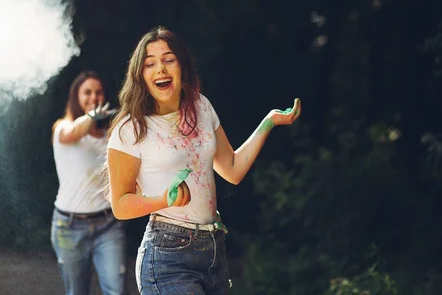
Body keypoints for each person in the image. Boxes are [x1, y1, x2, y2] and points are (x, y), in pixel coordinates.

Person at [106, 26, 302, 294]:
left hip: (213, 251)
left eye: (168, 59)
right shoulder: (130, 129)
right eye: (150, 63)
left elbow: (232, 169)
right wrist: (164, 200)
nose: (160, 69)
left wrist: (269, 122)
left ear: (182, 66)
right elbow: (120, 205)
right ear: (140, 74)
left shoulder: (201, 106)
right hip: (167, 256)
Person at [50, 70, 127, 295]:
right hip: (69, 226)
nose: (93, 97)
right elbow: (72, 133)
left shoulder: (109, 136)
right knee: (77, 292)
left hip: (108, 225)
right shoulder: (62, 128)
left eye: (98, 92)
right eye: (87, 92)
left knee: (118, 290)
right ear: (76, 96)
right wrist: (92, 117)